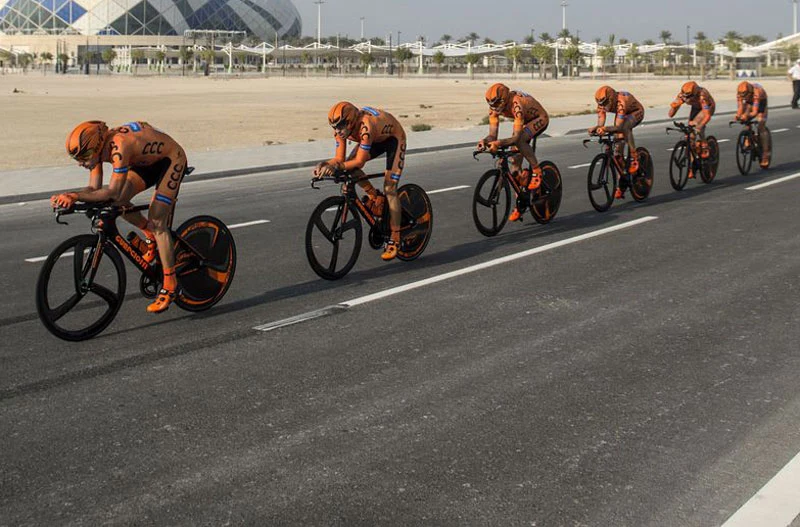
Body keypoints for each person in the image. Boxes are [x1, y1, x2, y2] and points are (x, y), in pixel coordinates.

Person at [51, 121, 189, 313]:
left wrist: (75, 196)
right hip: (145, 162)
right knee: (117, 203)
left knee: (158, 220)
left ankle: (170, 283)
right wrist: (70, 197)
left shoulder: (119, 147)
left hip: (171, 159)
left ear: (96, 148)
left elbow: (113, 191)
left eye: (83, 157)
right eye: (77, 158)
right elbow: (94, 190)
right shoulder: (97, 149)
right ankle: (148, 233)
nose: (80, 163)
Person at [315, 102, 407, 261]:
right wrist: (324, 165)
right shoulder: (341, 130)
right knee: (347, 167)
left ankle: (396, 237)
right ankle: (375, 197)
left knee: (390, 188)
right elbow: (339, 159)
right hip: (376, 139)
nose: (337, 131)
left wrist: (336, 167)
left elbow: (359, 162)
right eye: (334, 127)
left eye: (340, 126)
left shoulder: (366, 127)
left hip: (394, 139)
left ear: (350, 121)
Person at [476, 83, 550, 222]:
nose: (494, 107)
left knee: (520, 141)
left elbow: (516, 138)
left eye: (497, 103)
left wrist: (499, 144)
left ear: (504, 100)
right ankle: (520, 203)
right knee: (515, 163)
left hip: (538, 119)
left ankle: (536, 169)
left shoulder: (516, 104)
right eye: (491, 104)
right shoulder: (494, 108)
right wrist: (485, 141)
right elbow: (493, 135)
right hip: (523, 123)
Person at [588, 86, 645, 199]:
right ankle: (622, 183)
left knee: (624, 128)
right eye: (601, 104)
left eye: (606, 103)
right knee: (617, 153)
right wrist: (596, 128)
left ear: (612, 98)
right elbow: (601, 123)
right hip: (623, 115)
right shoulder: (602, 102)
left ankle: (634, 156)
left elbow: (618, 126)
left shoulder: (621, 102)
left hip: (635, 112)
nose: (603, 106)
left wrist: (605, 129)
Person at [668, 81, 716, 177]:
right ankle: (692, 164)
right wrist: (675, 106)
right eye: (685, 97)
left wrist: (700, 126)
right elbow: (671, 114)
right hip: (696, 107)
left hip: (707, 107)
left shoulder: (702, 96)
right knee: (690, 136)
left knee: (697, 124)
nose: (686, 99)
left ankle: (704, 143)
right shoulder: (682, 95)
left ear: (695, 94)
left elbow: (707, 116)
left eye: (689, 97)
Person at [735, 81, 771, 168]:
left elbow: (755, 111)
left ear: (750, 92)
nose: (744, 98)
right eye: (742, 96)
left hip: (761, 101)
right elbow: (740, 107)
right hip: (751, 102)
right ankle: (748, 136)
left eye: (745, 96)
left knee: (760, 123)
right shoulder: (740, 94)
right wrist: (738, 115)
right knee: (745, 117)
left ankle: (765, 154)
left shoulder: (757, 93)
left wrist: (747, 115)